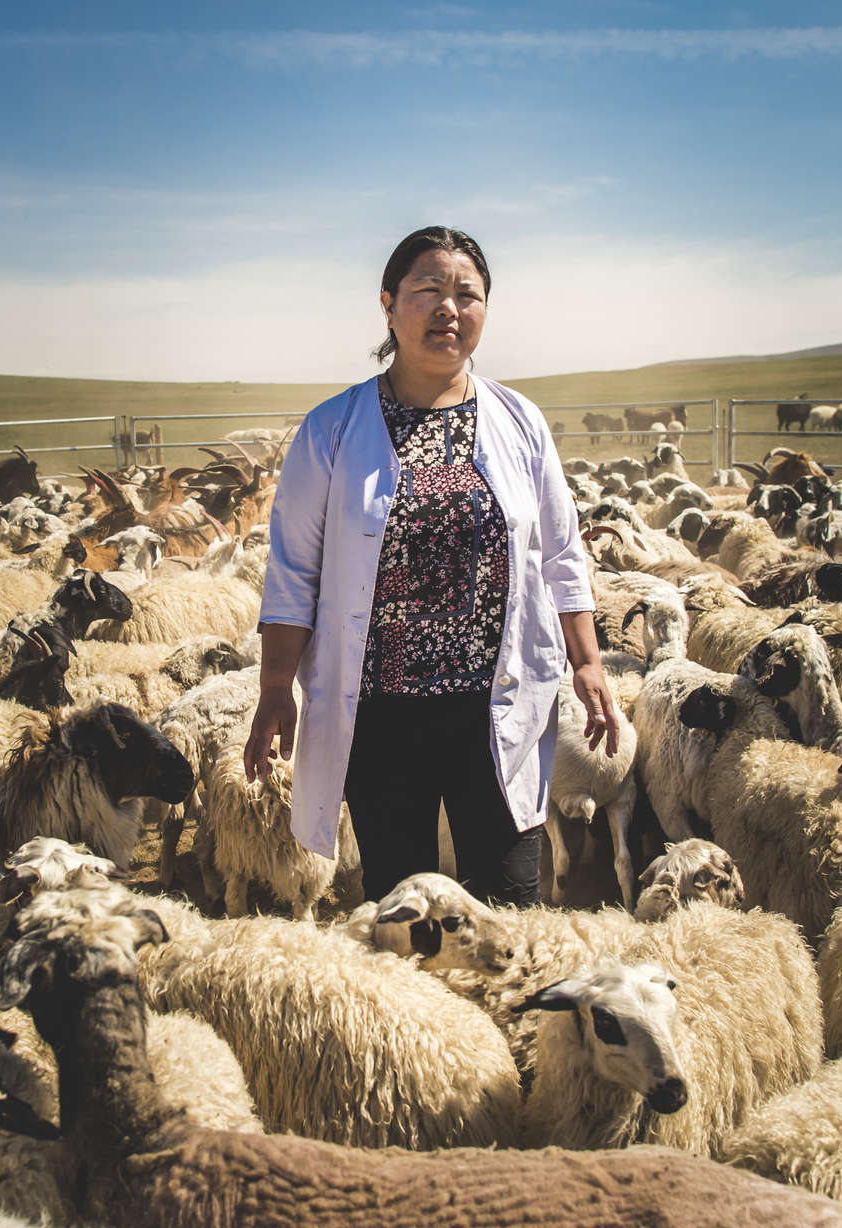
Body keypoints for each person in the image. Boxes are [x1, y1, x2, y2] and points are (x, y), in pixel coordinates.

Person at [243, 225, 620, 903]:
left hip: (495, 705)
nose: (449, 308)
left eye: (466, 294)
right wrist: (276, 686)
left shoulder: (520, 421)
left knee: (508, 904)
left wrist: (587, 660)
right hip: (382, 716)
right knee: (401, 906)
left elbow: (562, 551)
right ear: (389, 303)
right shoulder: (332, 430)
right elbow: (294, 570)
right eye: (427, 290)